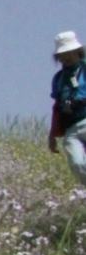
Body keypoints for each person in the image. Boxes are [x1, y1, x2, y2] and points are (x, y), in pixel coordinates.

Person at [49, 31, 86, 186]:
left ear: (78, 52)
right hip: (70, 128)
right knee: (77, 164)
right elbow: (56, 107)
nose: (67, 57)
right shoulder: (58, 79)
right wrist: (52, 135)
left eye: (70, 52)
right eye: (63, 54)